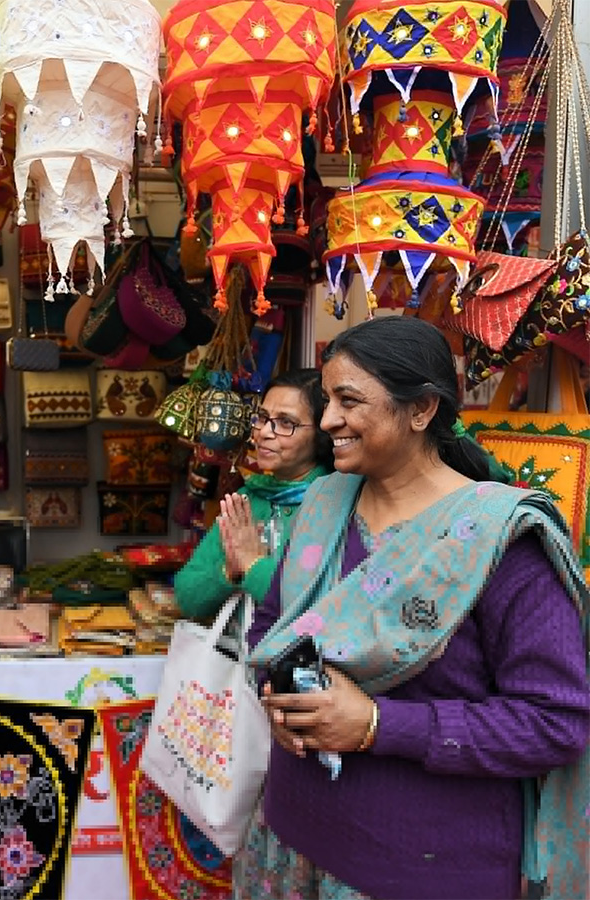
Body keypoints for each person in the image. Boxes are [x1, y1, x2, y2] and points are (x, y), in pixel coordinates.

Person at [238, 316, 590, 900]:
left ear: (422, 409)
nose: (327, 422)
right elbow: (272, 626)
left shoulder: (501, 542)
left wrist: (378, 726)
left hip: (419, 866)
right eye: (327, 400)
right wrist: (279, 699)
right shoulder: (324, 503)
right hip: (291, 836)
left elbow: (553, 724)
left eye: (348, 401)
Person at [173, 368, 333, 621]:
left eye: (285, 423)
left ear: (322, 434)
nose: (264, 432)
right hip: (239, 659)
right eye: (262, 417)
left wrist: (252, 564)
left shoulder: (335, 503)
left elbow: (315, 604)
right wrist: (229, 572)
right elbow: (186, 596)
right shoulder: (249, 498)